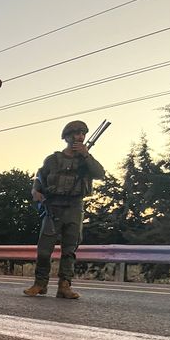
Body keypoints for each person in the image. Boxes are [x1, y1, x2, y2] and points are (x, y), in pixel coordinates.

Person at [24, 120, 105, 299]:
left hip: (75, 207)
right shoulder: (53, 159)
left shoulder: (86, 160)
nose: (80, 137)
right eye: (76, 133)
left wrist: (86, 155)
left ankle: (64, 285)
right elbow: (40, 176)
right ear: (67, 137)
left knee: (69, 250)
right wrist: (35, 190)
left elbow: (100, 174)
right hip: (53, 207)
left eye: (83, 133)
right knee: (44, 249)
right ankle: (40, 284)